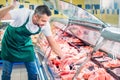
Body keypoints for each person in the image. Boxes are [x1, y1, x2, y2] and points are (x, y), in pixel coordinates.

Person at [0, 0, 63, 80]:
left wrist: (63, 57)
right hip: (9, 45)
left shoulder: (45, 25)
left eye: (46, 21)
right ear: (36, 16)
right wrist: (11, 6)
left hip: (25, 45)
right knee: (6, 72)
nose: (45, 23)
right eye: (43, 21)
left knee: (33, 73)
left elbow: (52, 43)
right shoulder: (22, 14)